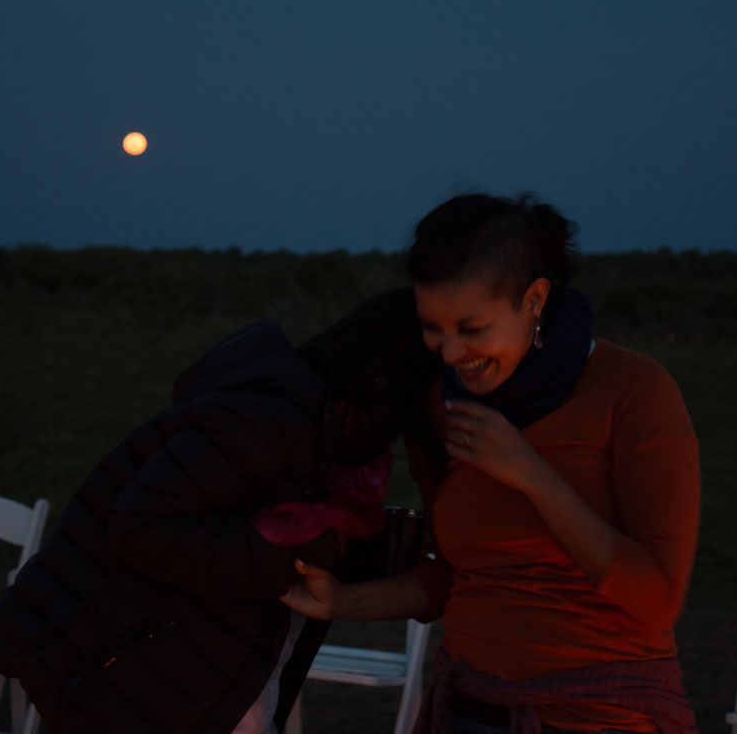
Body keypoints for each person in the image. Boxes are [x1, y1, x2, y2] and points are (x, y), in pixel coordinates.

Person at [282, 193, 701, 734]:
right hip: (470, 708)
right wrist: (343, 601)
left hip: (596, 715)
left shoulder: (634, 391)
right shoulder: (445, 405)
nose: (451, 353)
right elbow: (454, 576)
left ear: (534, 300)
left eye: (472, 329)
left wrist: (531, 475)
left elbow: (658, 600)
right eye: (434, 328)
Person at [0, 287, 440, 734]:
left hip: (208, 681)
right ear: (384, 383)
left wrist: (362, 552)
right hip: (151, 680)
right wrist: (299, 552)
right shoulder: (267, 420)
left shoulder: (321, 441)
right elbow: (141, 528)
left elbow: (242, 521)